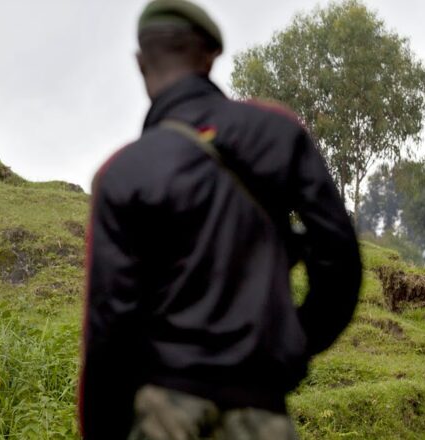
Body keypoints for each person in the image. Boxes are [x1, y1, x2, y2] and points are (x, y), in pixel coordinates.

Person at [78, 1, 362, 438]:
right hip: (260, 407)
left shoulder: (121, 173)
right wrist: (295, 344)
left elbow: (108, 323)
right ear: (211, 54)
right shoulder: (278, 134)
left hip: (162, 411)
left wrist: (105, 430)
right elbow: (338, 255)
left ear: (140, 62)